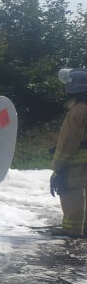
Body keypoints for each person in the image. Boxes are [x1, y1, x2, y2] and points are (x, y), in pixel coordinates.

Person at [50, 68, 87, 237]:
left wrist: (58, 166)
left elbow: (68, 142)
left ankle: (72, 231)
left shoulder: (78, 110)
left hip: (77, 162)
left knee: (71, 191)